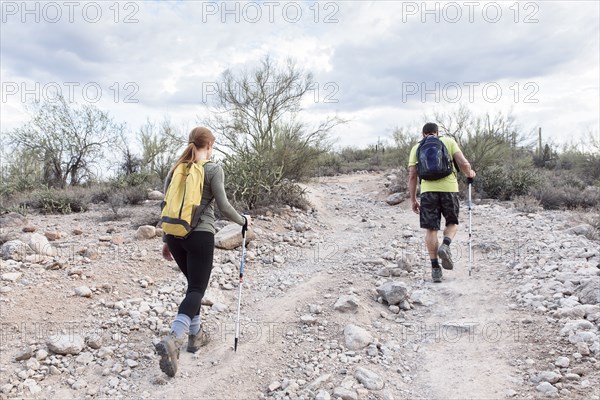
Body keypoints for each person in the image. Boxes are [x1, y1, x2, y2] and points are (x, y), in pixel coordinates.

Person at [156, 126, 250, 377]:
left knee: (193, 287)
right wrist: (244, 222)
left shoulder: (175, 168)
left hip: (176, 236)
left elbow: (166, 206)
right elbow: (224, 206)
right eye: (213, 145)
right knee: (198, 289)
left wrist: (167, 239)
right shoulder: (213, 168)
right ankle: (174, 338)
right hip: (200, 236)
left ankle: (195, 336)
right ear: (209, 145)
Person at [407, 122, 476, 283]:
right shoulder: (449, 142)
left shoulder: (416, 148)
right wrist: (470, 173)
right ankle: (445, 245)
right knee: (452, 222)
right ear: (437, 132)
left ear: (423, 134)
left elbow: (412, 175)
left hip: (428, 192)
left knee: (431, 229)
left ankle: (435, 269)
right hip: (449, 189)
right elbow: (464, 164)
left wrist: (413, 199)